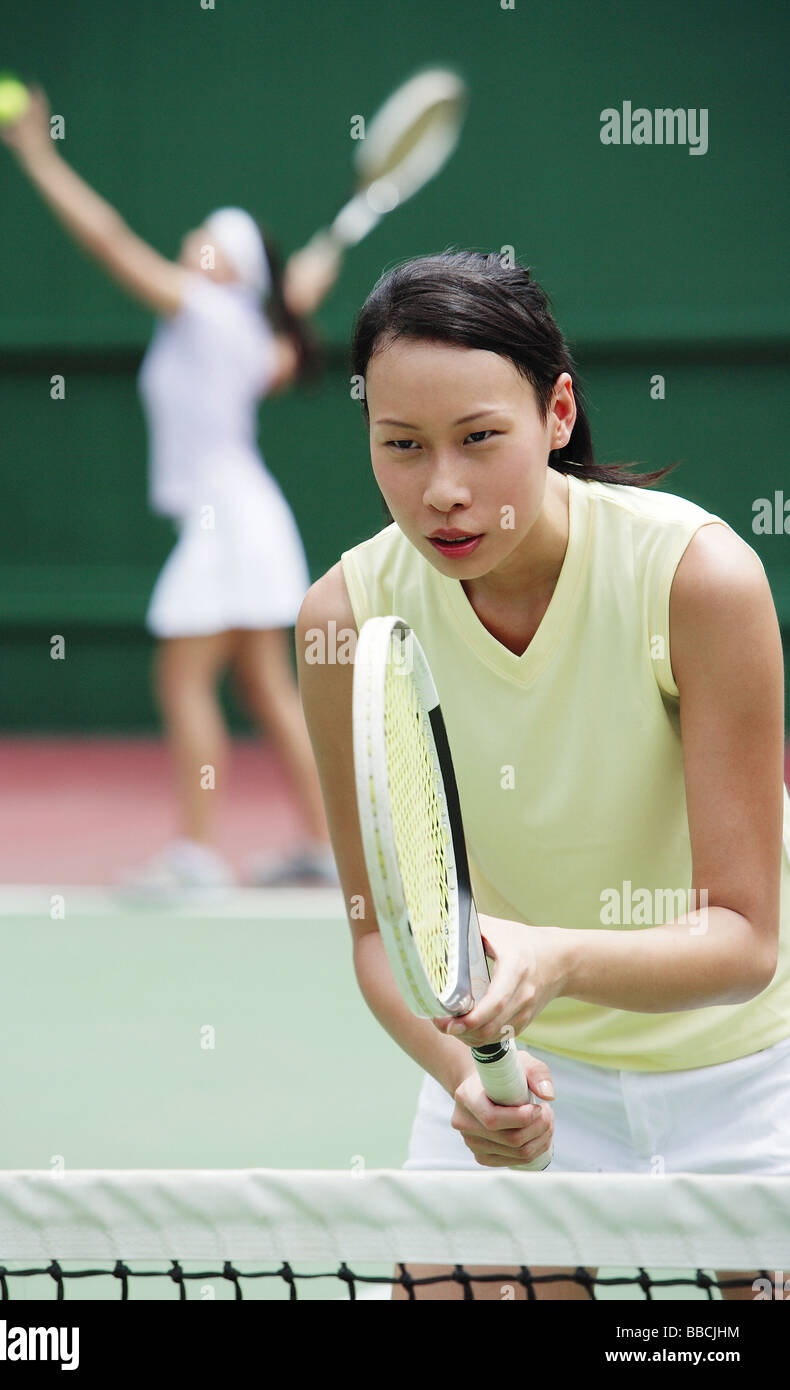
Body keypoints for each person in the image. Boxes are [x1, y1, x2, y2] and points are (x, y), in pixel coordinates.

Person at [296, 250, 790, 1299]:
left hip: (752, 1077)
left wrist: (549, 957)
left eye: (481, 438)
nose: (443, 489)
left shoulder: (697, 579)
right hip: (528, 1082)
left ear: (557, 412)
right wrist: (475, 1087)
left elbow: (744, 939)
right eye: (401, 446)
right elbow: (379, 934)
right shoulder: (343, 620)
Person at [0, 85, 343, 894]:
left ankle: (194, 855)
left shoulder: (211, 313)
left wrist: (40, 154)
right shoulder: (251, 330)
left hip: (228, 521)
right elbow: (288, 327)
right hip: (248, 517)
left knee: (183, 680)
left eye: (211, 238)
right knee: (264, 686)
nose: (192, 240)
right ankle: (325, 849)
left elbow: (109, 242)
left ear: (230, 268)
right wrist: (296, 292)